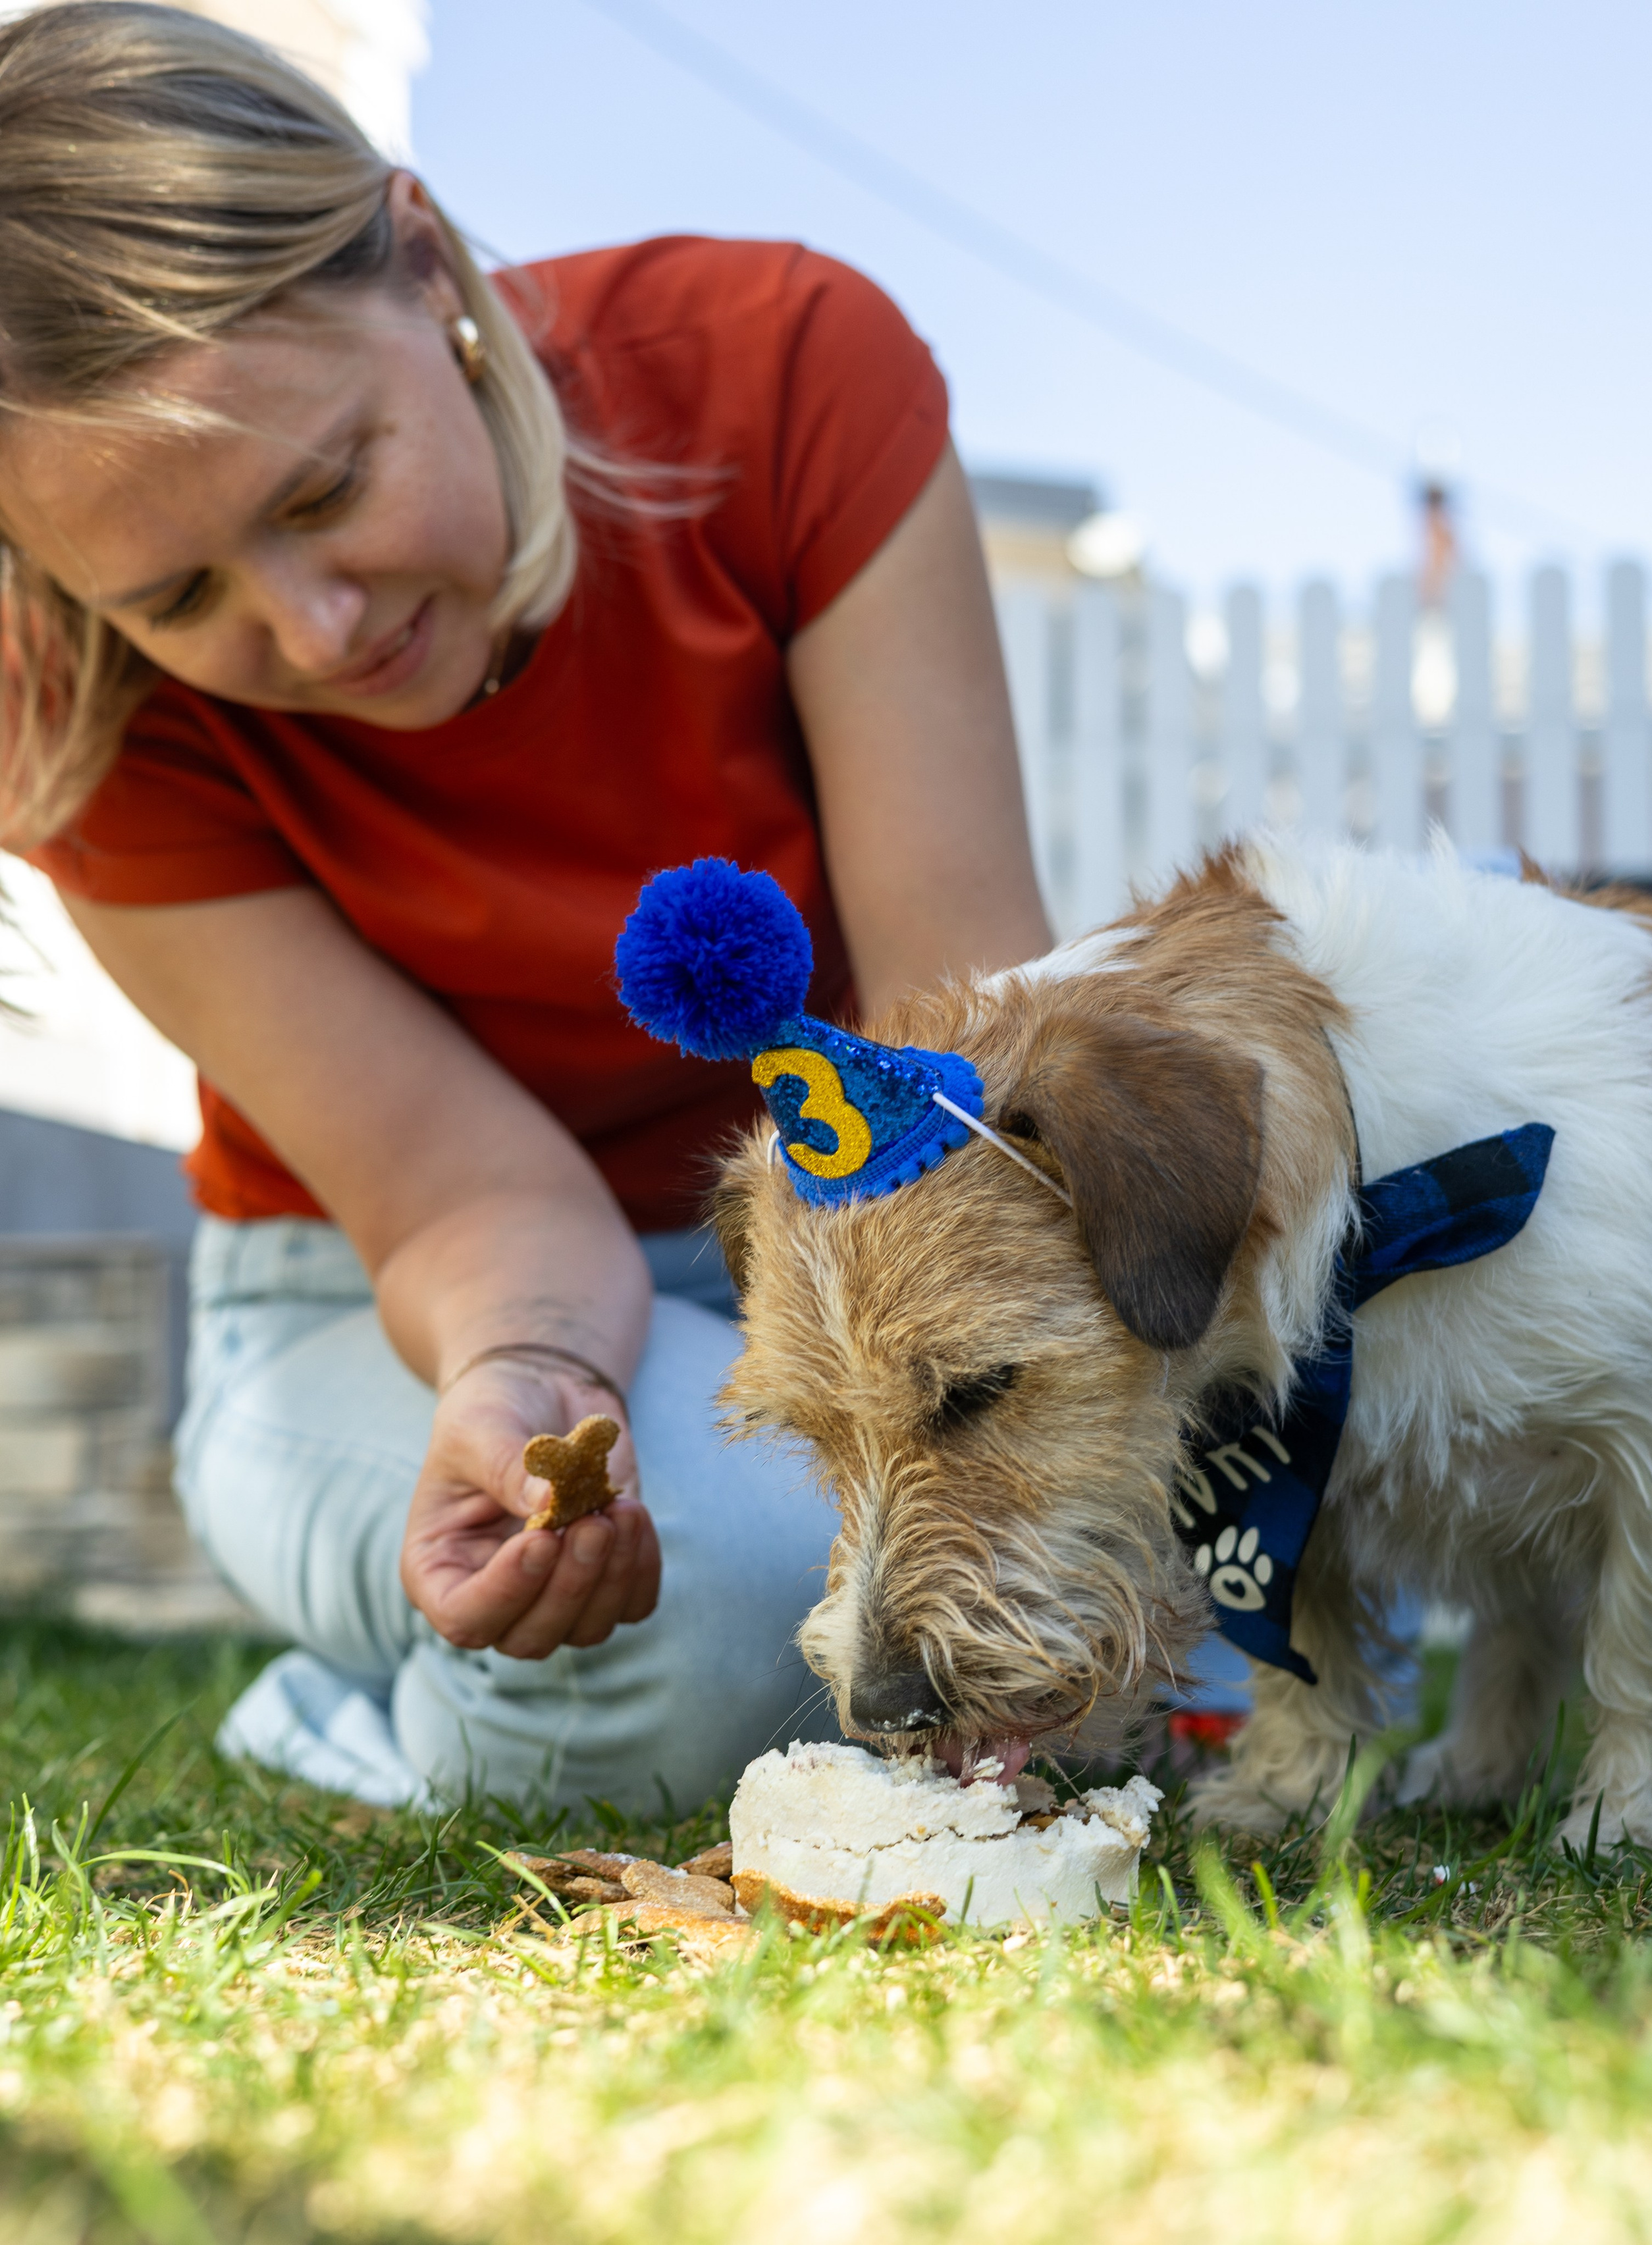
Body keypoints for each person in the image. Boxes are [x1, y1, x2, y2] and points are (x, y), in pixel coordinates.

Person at [0, 4, 1050, 1812]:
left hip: (820, 1253)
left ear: (425, 264)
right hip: (391, 1299)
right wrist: (530, 1371)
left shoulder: (784, 374)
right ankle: (374, 1717)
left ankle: (432, 1688)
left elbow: (949, 1040)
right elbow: (462, 1195)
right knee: (713, 1605)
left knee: (1029, 1582)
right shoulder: (75, 713)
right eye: (182, 592)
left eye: (327, 483)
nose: (316, 631)